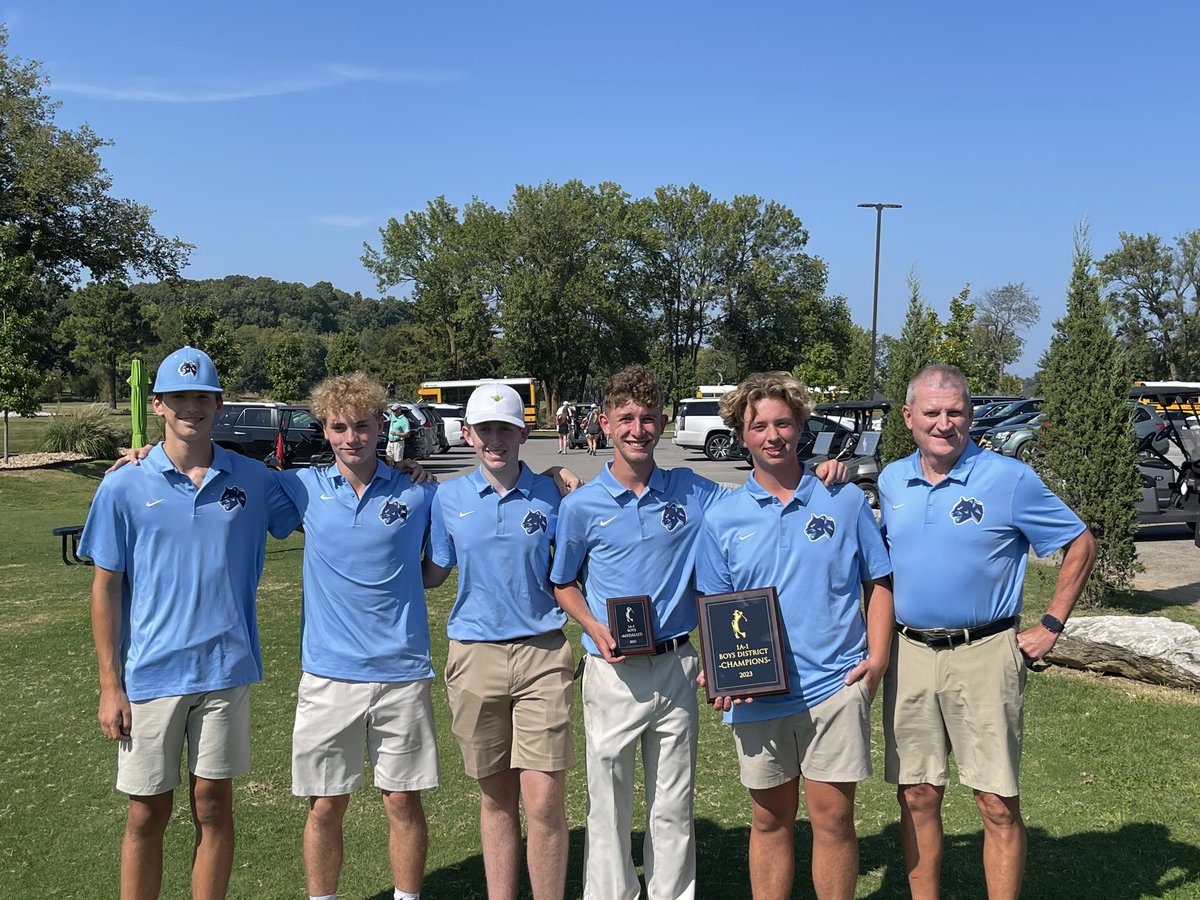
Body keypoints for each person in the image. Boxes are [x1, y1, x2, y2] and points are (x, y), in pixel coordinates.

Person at [550, 365, 847, 900]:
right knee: (609, 798)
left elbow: (760, 491)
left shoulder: (693, 492)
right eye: (626, 419)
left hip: (677, 663)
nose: (637, 429)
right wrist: (592, 625)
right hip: (611, 670)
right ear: (605, 423)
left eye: (647, 419)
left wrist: (823, 472)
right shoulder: (579, 507)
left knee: (673, 798)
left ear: (663, 423)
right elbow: (563, 582)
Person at [80, 346, 299, 899]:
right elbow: (105, 588)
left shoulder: (252, 478)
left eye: (201, 396)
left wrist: (403, 469)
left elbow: (338, 484)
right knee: (146, 814)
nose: (191, 407)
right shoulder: (123, 485)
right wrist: (110, 686)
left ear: (219, 404)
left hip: (225, 670)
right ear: (157, 404)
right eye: (179, 397)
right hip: (150, 673)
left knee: (213, 807)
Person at [878, 364, 1097, 900]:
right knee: (918, 795)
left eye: (955, 411)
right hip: (908, 654)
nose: (944, 423)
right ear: (909, 418)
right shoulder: (891, 480)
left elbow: (1080, 542)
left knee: (995, 801)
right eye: (932, 412)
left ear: (971, 415)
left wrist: (1051, 625)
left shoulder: (1009, 478)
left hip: (984, 652)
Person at [695, 372, 894, 900]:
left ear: (802, 426)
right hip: (759, 693)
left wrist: (876, 658)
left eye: (783, 422)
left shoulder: (843, 500)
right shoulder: (722, 518)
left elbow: (878, 582)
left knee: (834, 821)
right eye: (758, 425)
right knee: (769, 822)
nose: (772, 434)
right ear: (742, 434)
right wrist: (717, 669)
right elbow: (713, 608)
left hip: (833, 684)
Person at [278, 373, 439, 900]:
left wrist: (557, 473)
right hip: (328, 675)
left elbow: (490, 486)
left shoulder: (417, 491)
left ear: (379, 427)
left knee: (402, 803)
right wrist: (148, 451)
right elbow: (221, 470)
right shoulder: (302, 488)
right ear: (324, 430)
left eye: (362, 427)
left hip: (402, 673)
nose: (352, 438)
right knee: (325, 806)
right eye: (340, 427)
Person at [424, 382, 575, 900]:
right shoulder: (447, 497)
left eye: (505, 429)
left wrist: (561, 477)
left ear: (523, 432)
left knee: (544, 802)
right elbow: (434, 572)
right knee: (495, 800)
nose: (495, 439)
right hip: (474, 656)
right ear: (467, 434)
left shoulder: (554, 492)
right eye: (485, 429)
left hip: (543, 654)